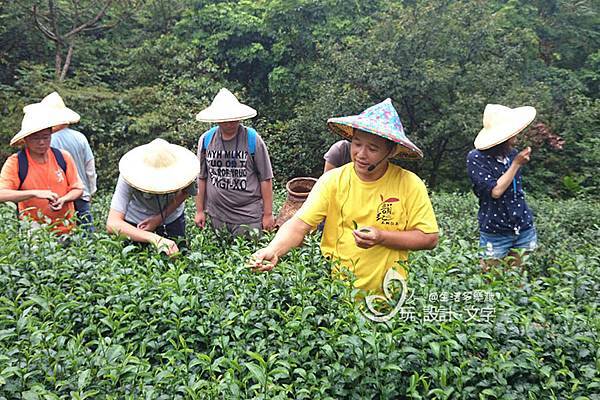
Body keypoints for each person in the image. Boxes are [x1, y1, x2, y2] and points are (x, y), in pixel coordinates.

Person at [250, 98, 439, 294]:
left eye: (372, 149)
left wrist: (382, 237)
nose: (361, 154)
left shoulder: (409, 184)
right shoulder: (332, 181)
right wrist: (273, 250)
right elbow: (299, 224)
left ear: (390, 151)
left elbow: (428, 238)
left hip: (388, 295)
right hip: (337, 294)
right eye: (357, 144)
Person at [194, 88, 274, 237]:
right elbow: (202, 177)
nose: (230, 123)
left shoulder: (252, 139)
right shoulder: (206, 140)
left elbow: (265, 178)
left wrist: (268, 214)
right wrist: (199, 210)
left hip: (248, 215)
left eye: (234, 118)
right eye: (225, 119)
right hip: (217, 214)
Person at [467, 104, 538, 269]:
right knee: (491, 283)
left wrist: (515, 162)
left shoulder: (512, 154)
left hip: (523, 228)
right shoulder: (476, 158)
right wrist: (516, 164)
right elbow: (495, 191)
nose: (516, 135)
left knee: (518, 283)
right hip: (495, 232)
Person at [0, 100, 83, 235]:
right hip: (35, 232)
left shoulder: (62, 157)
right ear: (25, 139)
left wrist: (64, 199)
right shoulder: (16, 162)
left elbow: (78, 189)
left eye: (46, 137)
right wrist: (34, 193)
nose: (41, 142)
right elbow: (2, 194)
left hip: (67, 229)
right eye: (35, 138)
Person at [106, 138, 199, 256]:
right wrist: (155, 238)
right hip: (137, 223)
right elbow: (112, 223)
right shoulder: (129, 175)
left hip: (171, 218)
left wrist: (158, 219)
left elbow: (186, 192)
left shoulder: (185, 170)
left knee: (177, 258)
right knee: (135, 262)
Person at [32, 92, 97, 231]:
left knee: (62, 237)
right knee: (87, 235)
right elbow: (90, 168)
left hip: (57, 197)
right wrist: (91, 191)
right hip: (81, 193)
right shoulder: (80, 137)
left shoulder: (44, 142)